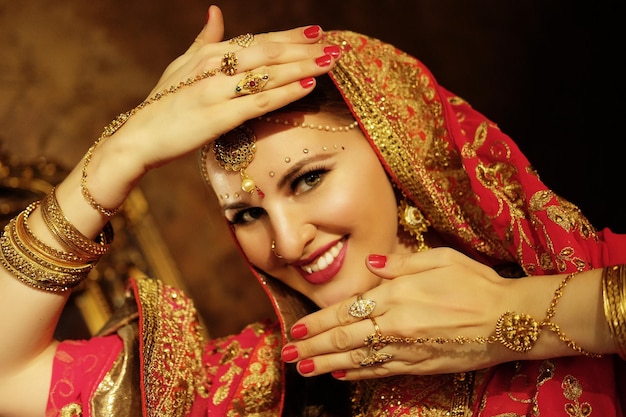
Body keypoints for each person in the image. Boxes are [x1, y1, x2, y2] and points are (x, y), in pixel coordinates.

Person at [0, 4, 624, 416]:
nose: (289, 241)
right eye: (246, 213)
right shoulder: (269, 386)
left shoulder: (589, 281)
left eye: (308, 179)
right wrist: (120, 152)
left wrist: (513, 315)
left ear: (400, 149)